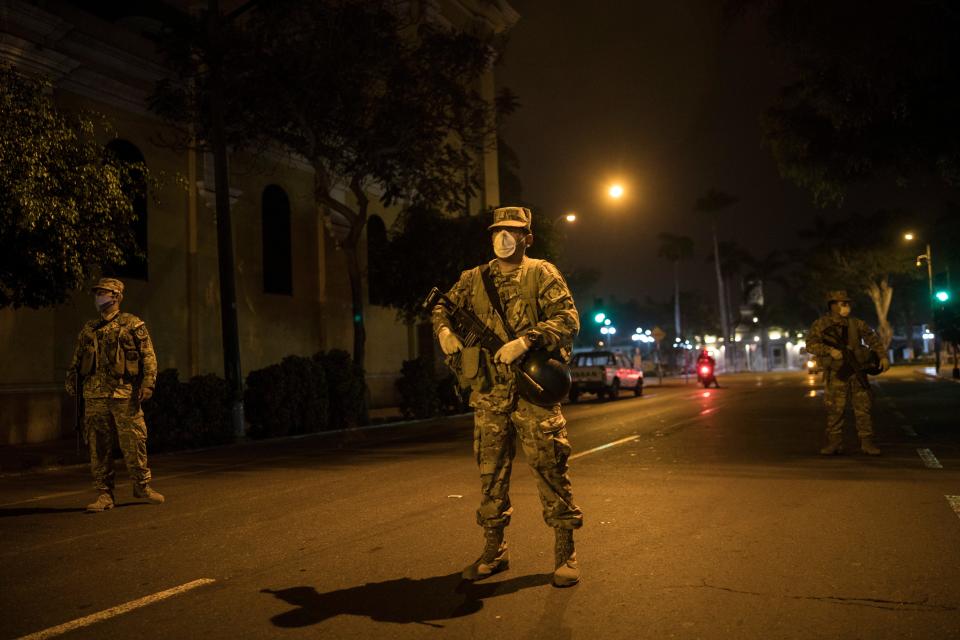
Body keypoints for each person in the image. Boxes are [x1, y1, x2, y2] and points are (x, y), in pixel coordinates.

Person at [432, 206, 583, 588]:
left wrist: (526, 340)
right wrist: (444, 333)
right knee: (491, 478)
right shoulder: (473, 279)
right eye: (498, 230)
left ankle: (566, 553)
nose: (503, 238)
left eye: (512, 232)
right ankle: (494, 550)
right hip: (489, 394)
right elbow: (441, 307)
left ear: (526, 237)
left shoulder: (540, 273)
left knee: (551, 471)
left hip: (533, 391)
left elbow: (568, 319)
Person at [66, 277, 164, 512]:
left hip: (124, 394)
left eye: (104, 292)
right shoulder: (89, 328)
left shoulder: (132, 324)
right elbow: (76, 361)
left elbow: (148, 356)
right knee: (98, 446)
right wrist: (71, 383)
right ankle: (104, 495)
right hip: (94, 396)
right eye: (97, 293)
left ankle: (141, 486)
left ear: (117, 296)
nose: (99, 296)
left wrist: (148, 384)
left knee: (134, 441)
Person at [805, 290, 889, 455]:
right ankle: (835, 443)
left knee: (863, 408)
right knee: (835, 409)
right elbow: (810, 344)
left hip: (857, 371)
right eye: (843, 303)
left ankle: (867, 443)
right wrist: (829, 350)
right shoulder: (821, 324)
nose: (847, 307)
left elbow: (873, 339)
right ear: (833, 305)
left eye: (848, 303)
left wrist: (883, 357)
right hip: (837, 373)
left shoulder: (855, 323)